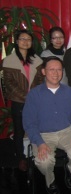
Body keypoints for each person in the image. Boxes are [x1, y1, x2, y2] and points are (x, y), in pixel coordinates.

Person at [22, 57, 71, 194]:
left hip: (67, 131)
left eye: (59, 70)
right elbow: (29, 122)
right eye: (52, 69)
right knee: (44, 161)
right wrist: (39, 143)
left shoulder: (70, 92)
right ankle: (50, 181)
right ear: (44, 71)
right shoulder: (34, 94)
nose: (56, 73)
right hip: (43, 134)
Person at [1, 30, 44, 171]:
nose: (25, 42)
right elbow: (9, 84)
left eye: (28, 39)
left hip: (36, 102)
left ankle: (39, 153)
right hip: (19, 102)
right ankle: (20, 157)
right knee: (19, 130)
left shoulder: (37, 59)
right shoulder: (9, 60)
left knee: (37, 128)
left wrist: (35, 97)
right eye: (22, 39)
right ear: (17, 41)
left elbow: (40, 80)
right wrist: (27, 97)